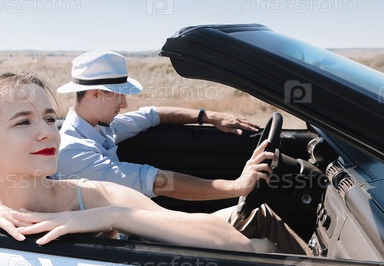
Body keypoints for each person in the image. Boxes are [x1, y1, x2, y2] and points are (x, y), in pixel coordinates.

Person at [0, 72, 299, 253]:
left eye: (50, 119)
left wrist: (112, 215)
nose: (47, 133)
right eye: (23, 122)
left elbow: (230, 243)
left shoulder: (94, 196)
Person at [54, 50, 263, 200]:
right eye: (119, 96)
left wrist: (207, 116)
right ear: (95, 94)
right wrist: (235, 187)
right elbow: (155, 181)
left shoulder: (100, 126)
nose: (124, 104)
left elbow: (151, 115)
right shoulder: (72, 151)